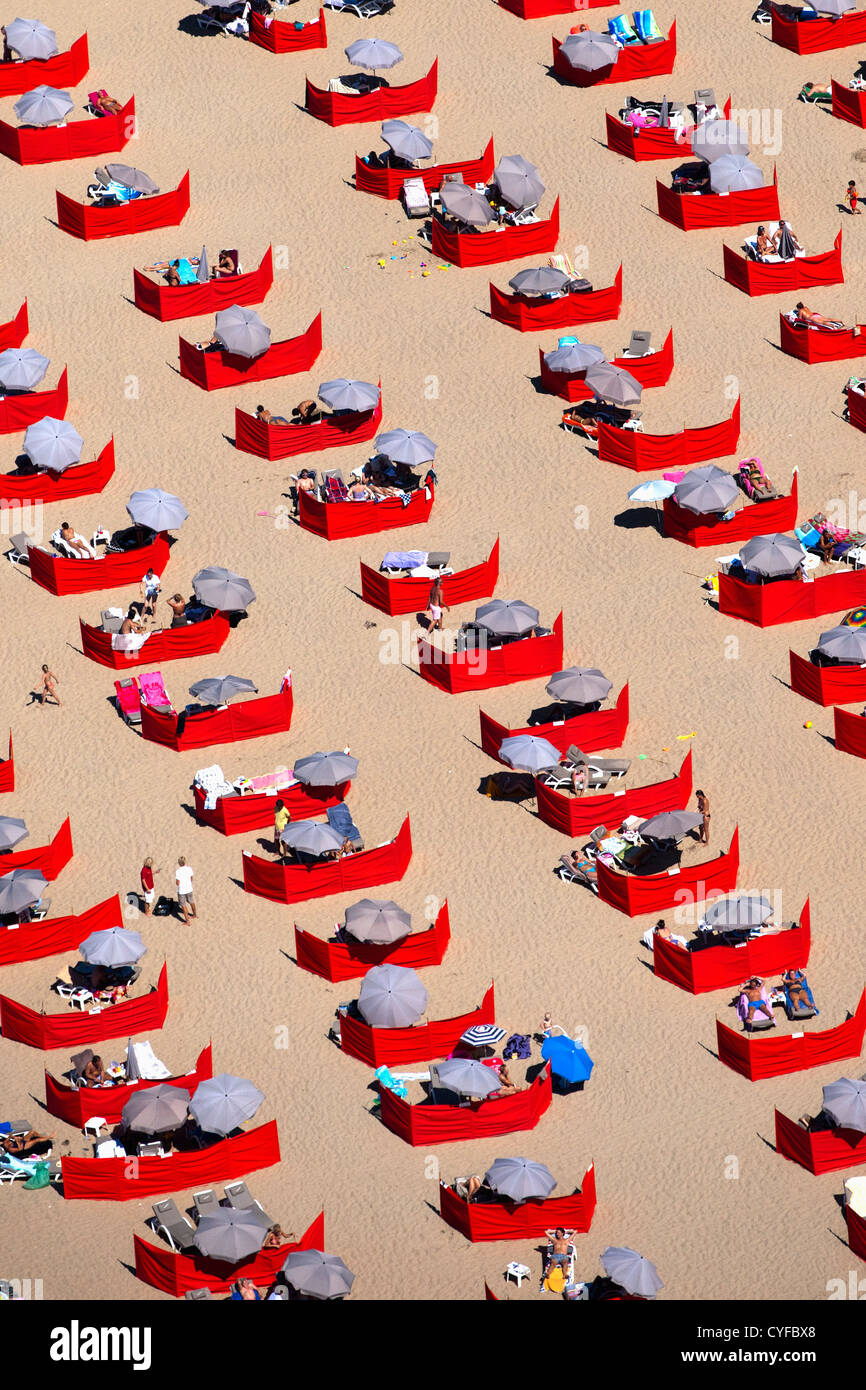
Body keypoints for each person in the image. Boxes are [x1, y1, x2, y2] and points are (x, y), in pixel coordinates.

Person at [175, 856, 197, 923]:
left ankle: (187, 921)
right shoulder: (189, 869)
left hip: (182, 890)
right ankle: (194, 915)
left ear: (179, 863)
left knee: (183, 905)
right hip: (189, 889)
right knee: (191, 901)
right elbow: (191, 878)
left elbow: (177, 883)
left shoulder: (178, 871)